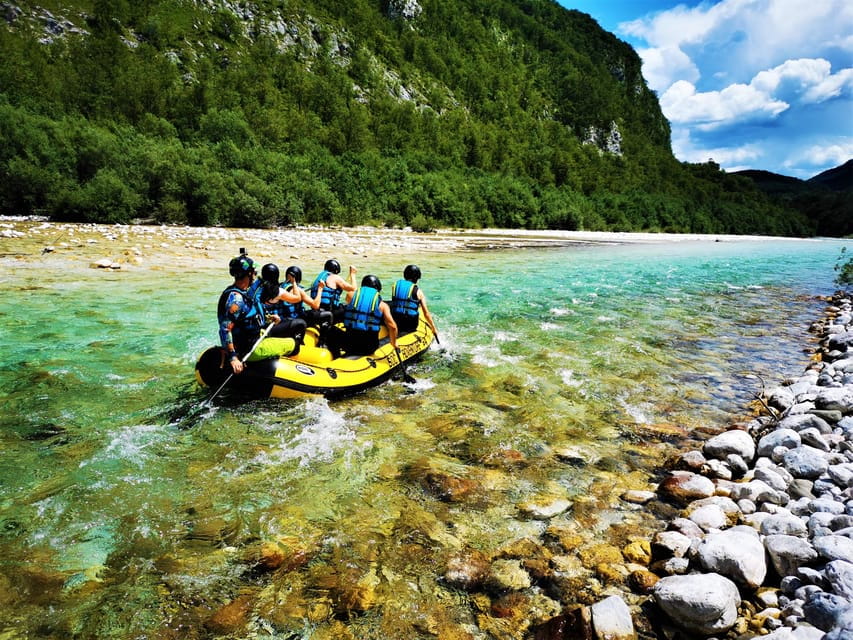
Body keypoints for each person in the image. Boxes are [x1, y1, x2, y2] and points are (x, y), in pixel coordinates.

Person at [217, 254, 268, 375]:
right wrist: (233, 357)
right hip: (246, 347)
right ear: (249, 274)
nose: (255, 275)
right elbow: (225, 329)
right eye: (254, 272)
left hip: (251, 338)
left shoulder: (243, 292)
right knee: (290, 344)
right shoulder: (236, 299)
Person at [325, 275, 398, 358]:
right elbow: (392, 327)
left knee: (331, 330)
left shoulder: (350, 296)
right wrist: (394, 343)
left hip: (349, 344)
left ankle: (336, 356)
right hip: (368, 347)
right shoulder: (383, 305)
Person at [257, 263, 309, 346]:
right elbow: (297, 298)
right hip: (270, 328)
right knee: (301, 323)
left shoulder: (256, 289)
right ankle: (298, 345)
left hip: (260, 325)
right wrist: (294, 282)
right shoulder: (278, 291)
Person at [277, 265, 334, 332]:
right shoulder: (298, 290)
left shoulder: (280, 287)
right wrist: (320, 288)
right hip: (297, 318)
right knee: (328, 315)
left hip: (285, 319)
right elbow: (315, 306)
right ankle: (323, 340)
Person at [389, 264, 439, 338]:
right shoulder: (419, 292)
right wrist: (433, 328)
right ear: (416, 278)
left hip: (396, 320)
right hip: (410, 324)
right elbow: (426, 313)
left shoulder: (395, 286)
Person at [309, 259, 357, 323]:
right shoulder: (335, 277)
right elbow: (354, 289)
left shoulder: (318, 278)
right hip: (329, 311)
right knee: (349, 308)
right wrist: (352, 275)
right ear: (336, 271)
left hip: (317, 311)